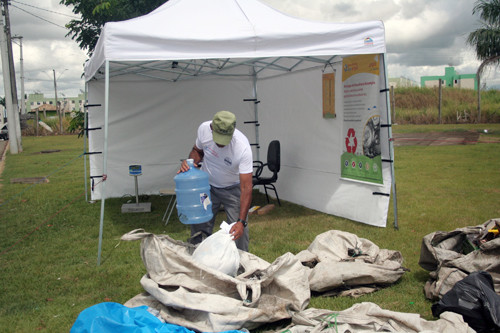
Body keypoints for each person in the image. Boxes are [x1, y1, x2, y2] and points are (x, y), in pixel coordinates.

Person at [178, 111, 253, 251]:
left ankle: (242, 266)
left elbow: (246, 187)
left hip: (233, 189)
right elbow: (197, 150)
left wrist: (241, 222)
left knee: (238, 231)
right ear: (212, 129)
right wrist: (190, 163)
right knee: (199, 225)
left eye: (225, 138)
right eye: (218, 137)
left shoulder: (242, 147)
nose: (220, 143)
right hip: (207, 187)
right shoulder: (203, 129)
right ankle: (196, 260)